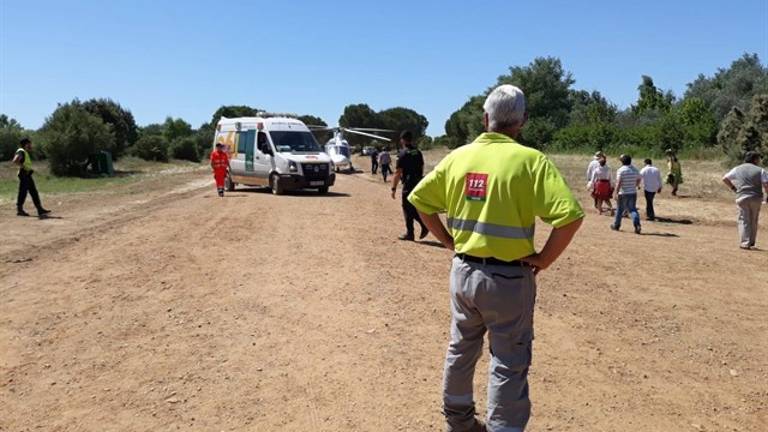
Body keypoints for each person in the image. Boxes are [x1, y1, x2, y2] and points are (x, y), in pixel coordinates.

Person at [408, 85, 584, 432]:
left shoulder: (459, 156)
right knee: (508, 360)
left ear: (485, 118)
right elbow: (570, 217)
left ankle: (458, 422)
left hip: (464, 273)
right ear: (523, 121)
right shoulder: (531, 161)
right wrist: (544, 260)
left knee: (461, 349)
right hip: (509, 280)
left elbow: (420, 200)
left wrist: (448, 241)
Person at [722, 151, 768, 250]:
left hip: (742, 196)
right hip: (756, 197)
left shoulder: (737, 168)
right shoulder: (761, 170)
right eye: (758, 159)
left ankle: (744, 242)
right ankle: (751, 242)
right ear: (755, 159)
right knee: (753, 219)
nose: (759, 161)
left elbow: (725, 178)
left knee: (743, 219)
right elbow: (765, 184)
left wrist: (734, 188)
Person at [390, 131, 428, 240]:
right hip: (418, 182)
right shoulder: (418, 152)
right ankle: (422, 226)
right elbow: (422, 167)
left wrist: (393, 188)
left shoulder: (403, 154)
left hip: (409, 183)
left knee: (407, 208)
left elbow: (398, 173)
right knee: (413, 206)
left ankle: (411, 232)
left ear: (402, 140)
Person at [12, 137, 51, 218]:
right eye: (30, 144)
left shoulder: (24, 152)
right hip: (24, 174)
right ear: (26, 144)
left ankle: (40, 209)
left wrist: (28, 169)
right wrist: (25, 168)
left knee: (34, 192)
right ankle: (20, 210)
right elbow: (15, 161)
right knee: (23, 192)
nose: (31, 145)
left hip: (27, 174)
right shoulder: (21, 151)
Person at [611, 154, 642, 234]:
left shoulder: (621, 170)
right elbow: (639, 179)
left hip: (623, 192)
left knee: (619, 209)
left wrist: (615, 192)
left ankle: (616, 225)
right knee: (632, 209)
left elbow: (619, 182)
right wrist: (635, 185)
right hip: (632, 192)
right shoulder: (635, 169)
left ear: (622, 162)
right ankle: (637, 224)